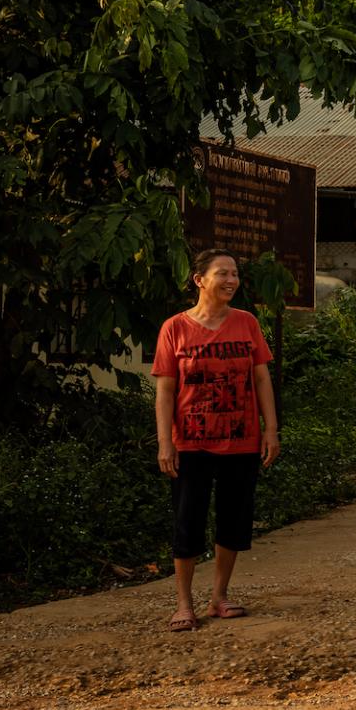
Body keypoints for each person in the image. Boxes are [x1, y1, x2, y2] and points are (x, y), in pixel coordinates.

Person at [152, 249, 279, 632]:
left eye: (235, 274)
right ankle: (183, 604)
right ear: (199, 280)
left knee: (234, 520)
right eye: (222, 273)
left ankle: (219, 597)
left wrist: (270, 429)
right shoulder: (174, 328)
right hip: (190, 442)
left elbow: (260, 380)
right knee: (187, 521)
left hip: (241, 441)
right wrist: (164, 442)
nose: (231, 281)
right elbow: (165, 391)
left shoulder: (247, 324)